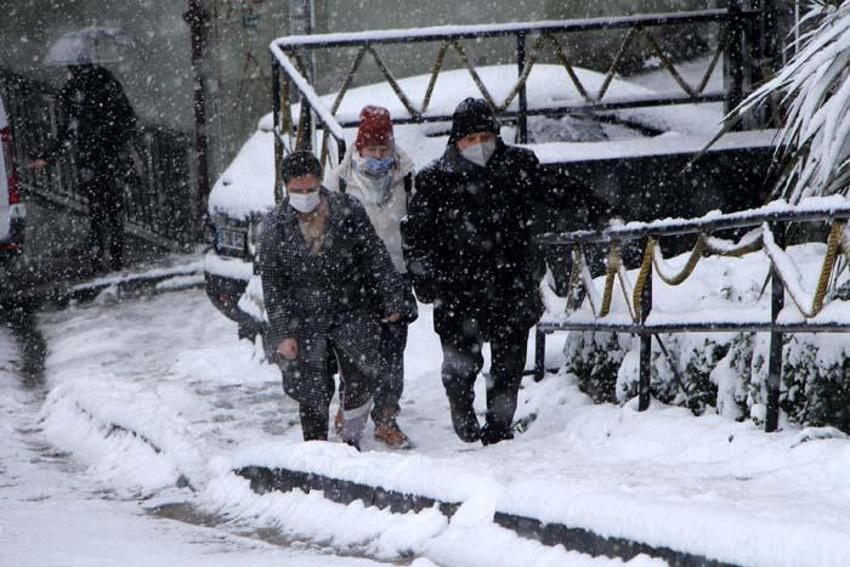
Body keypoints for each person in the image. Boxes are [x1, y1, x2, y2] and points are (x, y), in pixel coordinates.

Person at [403, 98, 545, 446]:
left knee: (508, 366)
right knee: (460, 369)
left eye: (485, 136)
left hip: (511, 282)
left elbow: (554, 195)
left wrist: (598, 210)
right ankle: (462, 413)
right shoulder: (434, 180)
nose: (478, 145)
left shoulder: (520, 166)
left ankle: (499, 428)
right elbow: (416, 236)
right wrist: (425, 278)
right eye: (470, 139)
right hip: (457, 290)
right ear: (456, 141)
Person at [260, 151, 407, 449]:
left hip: (351, 307)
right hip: (304, 318)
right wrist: (282, 333)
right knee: (312, 389)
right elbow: (273, 284)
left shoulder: (347, 210)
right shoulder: (275, 226)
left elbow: (374, 256)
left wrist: (392, 298)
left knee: (362, 377)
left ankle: (350, 441)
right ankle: (315, 451)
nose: (304, 196)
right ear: (286, 188)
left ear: (320, 184)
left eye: (310, 189)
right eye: (297, 191)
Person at [326, 105, 418, 449]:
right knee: (353, 351)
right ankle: (348, 408)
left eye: (384, 149)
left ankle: (386, 417)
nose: (378, 156)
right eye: (372, 149)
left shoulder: (407, 177)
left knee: (393, 352)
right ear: (358, 148)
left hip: (395, 275)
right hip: (355, 282)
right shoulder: (338, 181)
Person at [30, 63, 139, 271]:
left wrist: (48, 156)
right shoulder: (108, 88)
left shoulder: (78, 95)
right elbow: (129, 120)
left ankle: (99, 257)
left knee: (97, 211)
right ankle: (114, 257)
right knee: (113, 210)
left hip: (92, 159)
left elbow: (68, 131)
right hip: (110, 158)